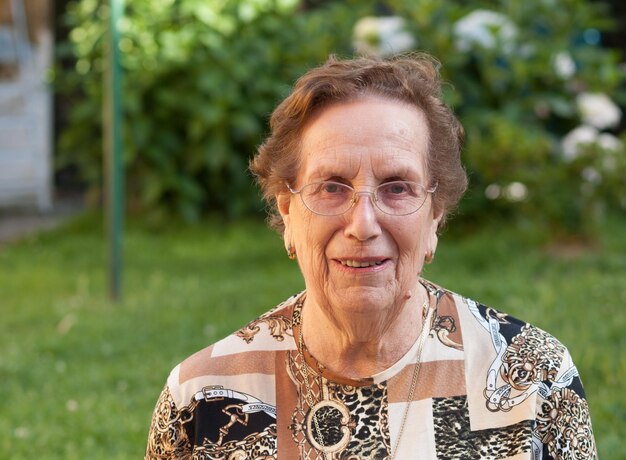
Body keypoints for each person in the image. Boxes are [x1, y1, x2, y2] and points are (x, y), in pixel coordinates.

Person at [145, 54, 596, 459]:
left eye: (397, 187)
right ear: (287, 210)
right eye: (332, 186)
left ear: (435, 215)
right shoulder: (204, 401)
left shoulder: (535, 380)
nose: (363, 224)